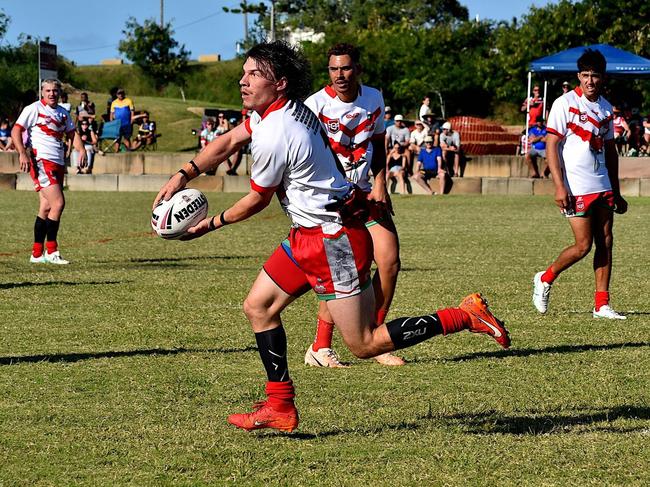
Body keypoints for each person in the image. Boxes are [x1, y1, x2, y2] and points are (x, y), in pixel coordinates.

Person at [152, 41, 511, 433]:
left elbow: (257, 199)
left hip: (332, 241)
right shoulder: (283, 109)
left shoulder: (278, 129)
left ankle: (464, 316)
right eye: (244, 72)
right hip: (309, 234)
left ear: (280, 83)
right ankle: (280, 405)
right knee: (259, 307)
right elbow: (228, 141)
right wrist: (184, 173)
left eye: (254, 74)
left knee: (364, 344)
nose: (243, 80)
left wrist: (210, 224)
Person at [303, 42, 404, 366]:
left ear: (357, 69)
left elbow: (377, 141)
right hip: (334, 200)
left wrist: (379, 183)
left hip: (367, 193)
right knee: (342, 273)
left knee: (389, 262)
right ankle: (320, 347)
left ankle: (377, 338)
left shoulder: (374, 97)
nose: (340, 75)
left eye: (346, 68)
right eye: (334, 69)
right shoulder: (314, 105)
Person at [532, 48, 628, 320]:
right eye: (585, 75)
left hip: (602, 183)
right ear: (578, 76)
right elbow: (552, 145)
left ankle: (602, 304)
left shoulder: (606, 108)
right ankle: (545, 278)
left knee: (606, 242)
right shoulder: (564, 103)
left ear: (602, 78)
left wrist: (616, 190)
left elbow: (610, 152)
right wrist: (558, 186)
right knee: (583, 246)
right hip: (575, 186)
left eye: (594, 76)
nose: (589, 81)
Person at [11, 78, 86, 264]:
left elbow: (72, 133)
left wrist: (82, 149)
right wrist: (22, 152)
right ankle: (52, 251)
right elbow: (16, 130)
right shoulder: (33, 109)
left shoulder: (62, 112)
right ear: (42, 92)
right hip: (41, 161)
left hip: (58, 163)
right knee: (58, 203)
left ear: (59, 93)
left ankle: (36, 254)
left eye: (55, 91)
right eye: (48, 90)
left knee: (46, 207)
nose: (52, 93)